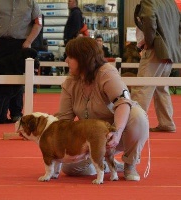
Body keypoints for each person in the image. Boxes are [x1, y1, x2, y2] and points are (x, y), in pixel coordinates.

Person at [55, 37, 149, 181]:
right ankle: (106, 163)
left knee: (138, 116)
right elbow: (63, 121)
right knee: (70, 168)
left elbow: (123, 103)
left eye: (70, 57)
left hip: (116, 135)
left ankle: (130, 164)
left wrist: (117, 132)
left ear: (83, 58)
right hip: (90, 139)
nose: (66, 60)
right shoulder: (69, 83)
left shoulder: (107, 73)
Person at [0, 0, 42, 123]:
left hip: (20, 45)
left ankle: (16, 113)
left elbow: (38, 23)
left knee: (18, 82)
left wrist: (29, 41)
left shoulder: (31, 3)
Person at [130, 0, 181, 133]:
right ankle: (167, 123)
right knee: (161, 88)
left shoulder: (149, 1)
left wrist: (150, 42)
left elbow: (149, 18)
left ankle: (135, 125)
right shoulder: (170, 2)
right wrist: (174, 40)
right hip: (169, 50)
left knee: (142, 87)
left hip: (156, 49)